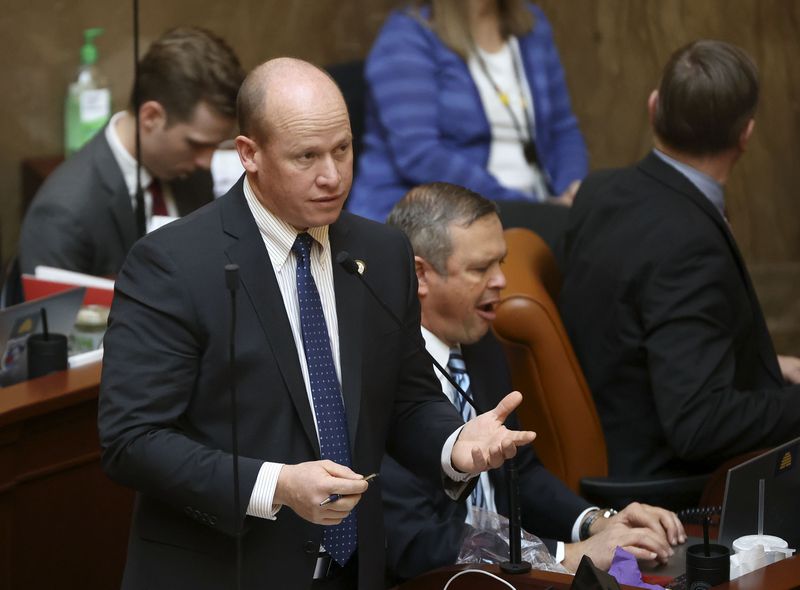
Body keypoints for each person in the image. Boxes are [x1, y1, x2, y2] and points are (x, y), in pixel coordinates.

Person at [97, 58, 536, 590]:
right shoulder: (173, 263)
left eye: (343, 149)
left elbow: (408, 398)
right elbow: (133, 441)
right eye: (306, 156)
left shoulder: (381, 251)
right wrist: (275, 485)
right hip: (226, 569)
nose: (332, 175)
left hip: (354, 569)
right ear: (249, 155)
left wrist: (455, 445)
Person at [381, 182, 685, 583]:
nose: (501, 281)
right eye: (479, 268)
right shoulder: (379, 372)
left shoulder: (480, 343)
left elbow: (519, 473)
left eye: (500, 262)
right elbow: (418, 541)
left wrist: (597, 522)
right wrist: (564, 555)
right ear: (420, 273)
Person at [558, 40, 800, 480]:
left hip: (604, 448)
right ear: (746, 134)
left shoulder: (600, 191)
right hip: (666, 490)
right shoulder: (690, 246)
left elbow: (638, 334)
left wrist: (765, 365)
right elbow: (700, 424)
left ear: (653, 108)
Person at [18, 26, 244, 277]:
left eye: (215, 145)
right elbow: (54, 314)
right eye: (196, 144)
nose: (207, 161)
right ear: (151, 117)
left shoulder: (191, 172)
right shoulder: (64, 213)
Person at [347, 0, 587, 222]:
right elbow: (420, 155)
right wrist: (533, 209)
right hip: (440, 219)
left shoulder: (532, 23)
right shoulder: (406, 35)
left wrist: (573, 192)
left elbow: (562, 128)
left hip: (538, 210)